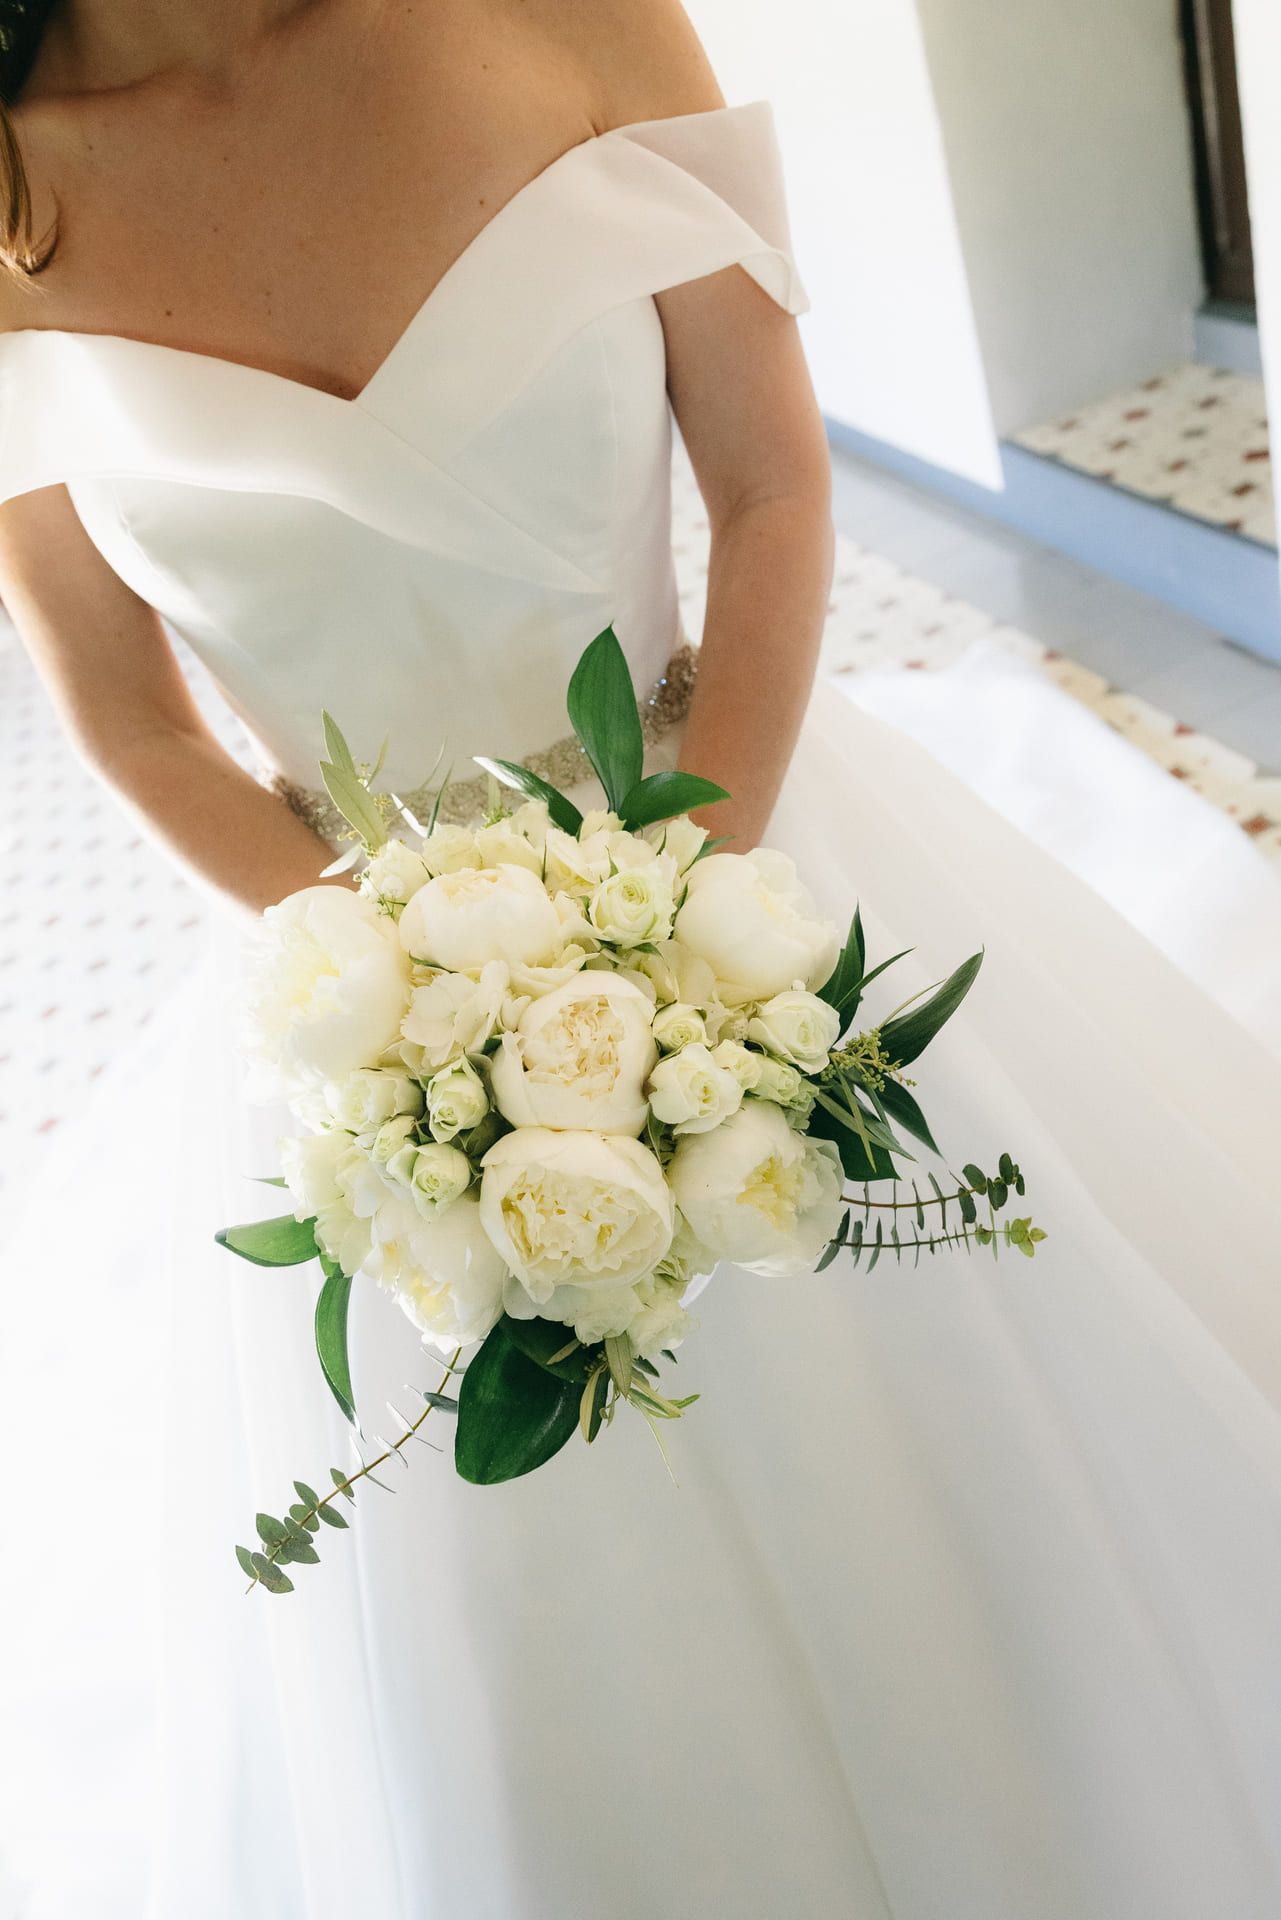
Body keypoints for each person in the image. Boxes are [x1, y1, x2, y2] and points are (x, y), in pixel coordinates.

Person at [0, 3, 1279, 1915]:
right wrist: (411, 1008)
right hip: (369, 1003)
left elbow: (771, 485)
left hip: (738, 840)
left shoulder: (570, 12)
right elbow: (135, 721)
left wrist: (673, 921)